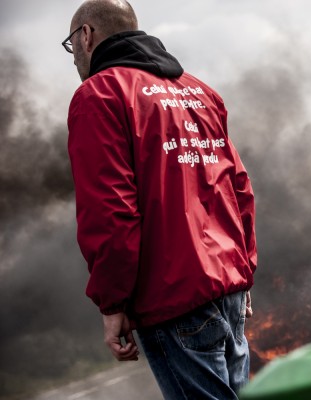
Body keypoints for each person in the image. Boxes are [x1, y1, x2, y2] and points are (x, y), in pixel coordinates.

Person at [63, 1, 257, 398]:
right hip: (228, 286)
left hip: (173, 295)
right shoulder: (199, 91)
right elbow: (237, 187)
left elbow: (111, 211)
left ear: (86, 35)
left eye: (72, 44)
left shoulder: (99, 94)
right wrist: (243, 270)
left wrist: (112, 302)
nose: (75, 57)